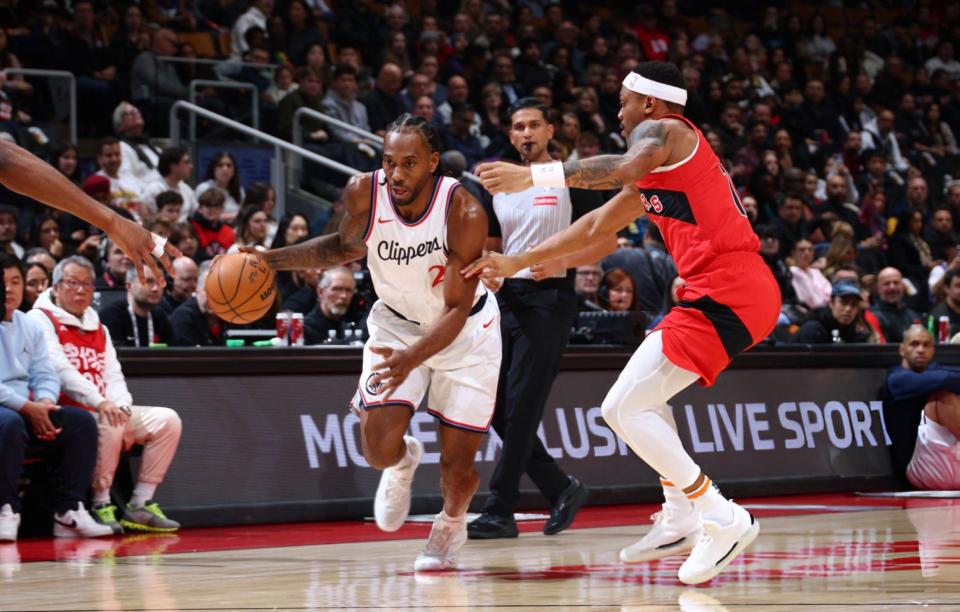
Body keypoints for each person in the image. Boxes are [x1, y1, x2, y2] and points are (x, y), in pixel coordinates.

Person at [467, 61, 781, 585]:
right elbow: (594, 223)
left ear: (649, 103)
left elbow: (622, 166)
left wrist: (535, 174)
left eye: (623, 101)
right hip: (723, 291)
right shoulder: (657, 169)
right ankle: (680, 514)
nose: (618, 112)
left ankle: (720, 514)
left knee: (620, 408)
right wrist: (516, 261)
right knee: (645, 402)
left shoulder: (669, 131)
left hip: (729, 290)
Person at [256, 114, 500, 571]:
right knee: (377, 450)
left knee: (457, 468)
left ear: (432, 162)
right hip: (396, 325)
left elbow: (455, 310)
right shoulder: (364, 192)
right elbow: (343, 247)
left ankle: (450, 525)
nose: (396, 174)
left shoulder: (464, 212)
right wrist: (268, 260)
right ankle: (404, 462)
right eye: (389, 162)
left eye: (409, 163)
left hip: (464, 334)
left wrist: (411, 359)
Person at [470, 97, 608, 540]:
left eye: (534, 125)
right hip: (506, 301)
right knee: (494, 408)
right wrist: (489, 270)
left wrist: (564, 260)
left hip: (549, 300)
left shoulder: (572, 178)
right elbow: (494, 246)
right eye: (518, 127)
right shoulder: (498, 183)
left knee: (522, 407)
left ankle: (500, 508)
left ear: (550, 130)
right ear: (510, 135)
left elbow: (607, 240)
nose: (526, 133)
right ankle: (561, 487)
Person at [28, 257, 182, 533]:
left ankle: (140, 504)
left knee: (167, 420)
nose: (80, 290)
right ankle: (101, 503)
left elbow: (113, 374)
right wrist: (102, 404)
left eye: (87, 284)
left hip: (103, 407)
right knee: (109, 419)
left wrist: (122, 405)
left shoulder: (99, 325)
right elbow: (60, 370)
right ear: (56, 286)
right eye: (72, 283)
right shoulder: (39, 319)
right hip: (65, 412)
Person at [0, 253, 113, 541]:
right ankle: (6, 509)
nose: (8, 289)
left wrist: (46, 402)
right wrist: (28, 408)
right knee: (10, 423)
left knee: (81, 422)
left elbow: (46, 373)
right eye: (3, 282)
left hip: (30, 407)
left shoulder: (29, 325)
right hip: (9, 410)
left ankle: (69, 511)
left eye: (15, 281)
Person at [882, 325, 960, 488]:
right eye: (914, 344)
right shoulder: (897, 379)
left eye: (926, 345)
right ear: (902, 349)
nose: (920, 350)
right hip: (919, 467)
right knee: (942, 398)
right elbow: (944, 379)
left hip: (948, 458)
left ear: (933, 350)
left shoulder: (934, 370)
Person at [99, 266, 176, 347]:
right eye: (148, 282)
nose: (155, 288)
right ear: (129, 286)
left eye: (161, 283)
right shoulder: (111, 315)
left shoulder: (160, 316)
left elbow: (173, 351)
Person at [794, 280, 874, 344]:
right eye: (844, 302)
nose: (848, 309)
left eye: (854, 304)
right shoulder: (812, 330)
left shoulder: (857, 334)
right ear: (831, 303)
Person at [304, 267, 366, 344]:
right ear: (320, 291)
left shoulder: (354, 328)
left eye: (349, 290)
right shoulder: (306, 330)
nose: (344, 296)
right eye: (337, 289)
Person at [871, 267, 920, 344]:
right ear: (878, 288)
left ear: (903, 286)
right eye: (887, 284)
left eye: (896, 283)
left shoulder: (913, 315)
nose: (892, 287)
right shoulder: (871, 316)